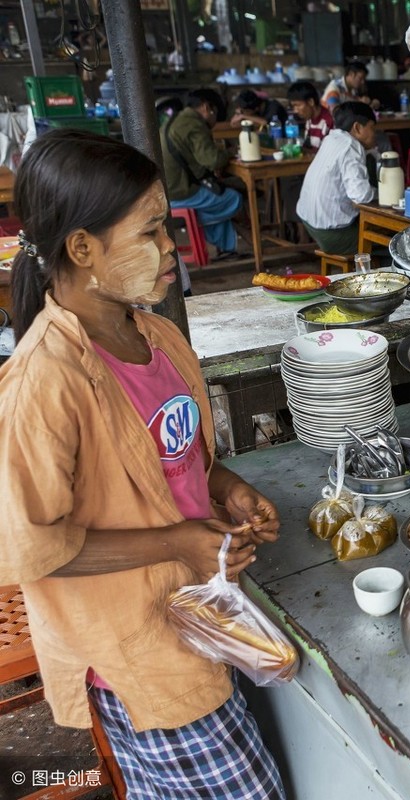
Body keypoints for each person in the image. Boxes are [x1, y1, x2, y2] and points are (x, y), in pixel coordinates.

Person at [0, 130, 284, 797]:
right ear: (82, 249)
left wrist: (226, 486)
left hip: (200, 610)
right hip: (138, 649)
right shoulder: (45, 383)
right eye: (152, 234)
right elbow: (30, 549)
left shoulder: (153, 334)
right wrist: (178, 539)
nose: (172, 251)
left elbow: (174, 456)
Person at [160, 88, 242, 258]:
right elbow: (213, 160)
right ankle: (219, 240)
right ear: (206, 108)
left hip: (167, 189)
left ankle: (226, 250)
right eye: (215, 113)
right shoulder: (194, 124)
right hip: (180, 193)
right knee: (234, 199)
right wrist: (230, 152)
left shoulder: (177, 119)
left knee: (218, 195)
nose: (215, 119)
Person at [297, 102, 377, 255]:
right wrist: (382, 195)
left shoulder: (332, 138)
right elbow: (361, 196)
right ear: (358, 128)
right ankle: (375, 274)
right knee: (394, 240)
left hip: (309, 221)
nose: (375, 133)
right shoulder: (351, 147)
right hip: (331, 234)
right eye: (372, 127)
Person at [287, 80, 335, 150]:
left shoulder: (329, 121)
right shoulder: (309, 119)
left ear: (311, 102)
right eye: (293, 107)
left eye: (298, 105)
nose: (295, 110)